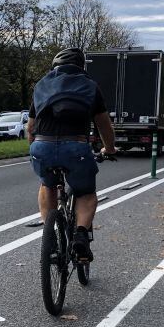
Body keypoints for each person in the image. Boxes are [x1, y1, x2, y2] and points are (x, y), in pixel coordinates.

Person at [27, 47, 117, 262]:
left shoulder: (42, 85)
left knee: (47, 185)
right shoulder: (90, 86)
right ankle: (81, 236)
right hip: (76, 147)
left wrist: (34, 150)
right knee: (86, 193)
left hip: (42, 145)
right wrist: (109, 148)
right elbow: (103, 124)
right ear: (81, 66)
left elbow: (30, 127)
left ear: (54, 66)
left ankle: (50, 237)